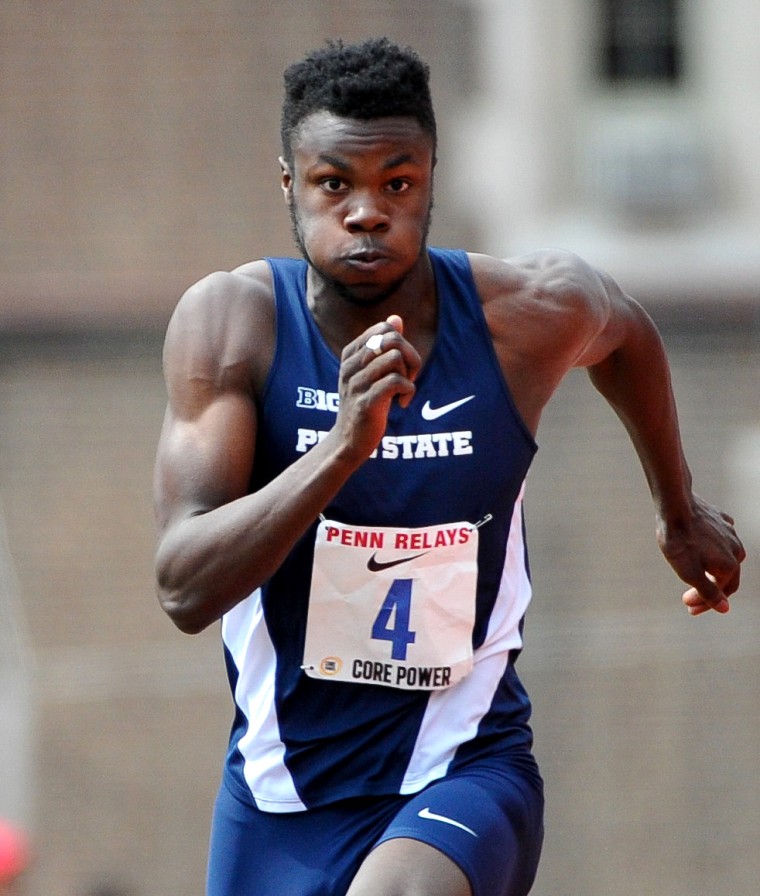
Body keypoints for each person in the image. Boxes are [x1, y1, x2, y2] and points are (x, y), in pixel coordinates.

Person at [152, 37, 745, 896]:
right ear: (289, 183)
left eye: (398, 183)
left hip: (464, 769)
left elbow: (623, 331)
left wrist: (679, 508)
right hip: (279, 800)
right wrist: (341, 448)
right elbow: (183, 588)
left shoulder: (521, 317)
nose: (367, 212)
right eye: (334, 185)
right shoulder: (234, 327)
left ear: (432, 179)